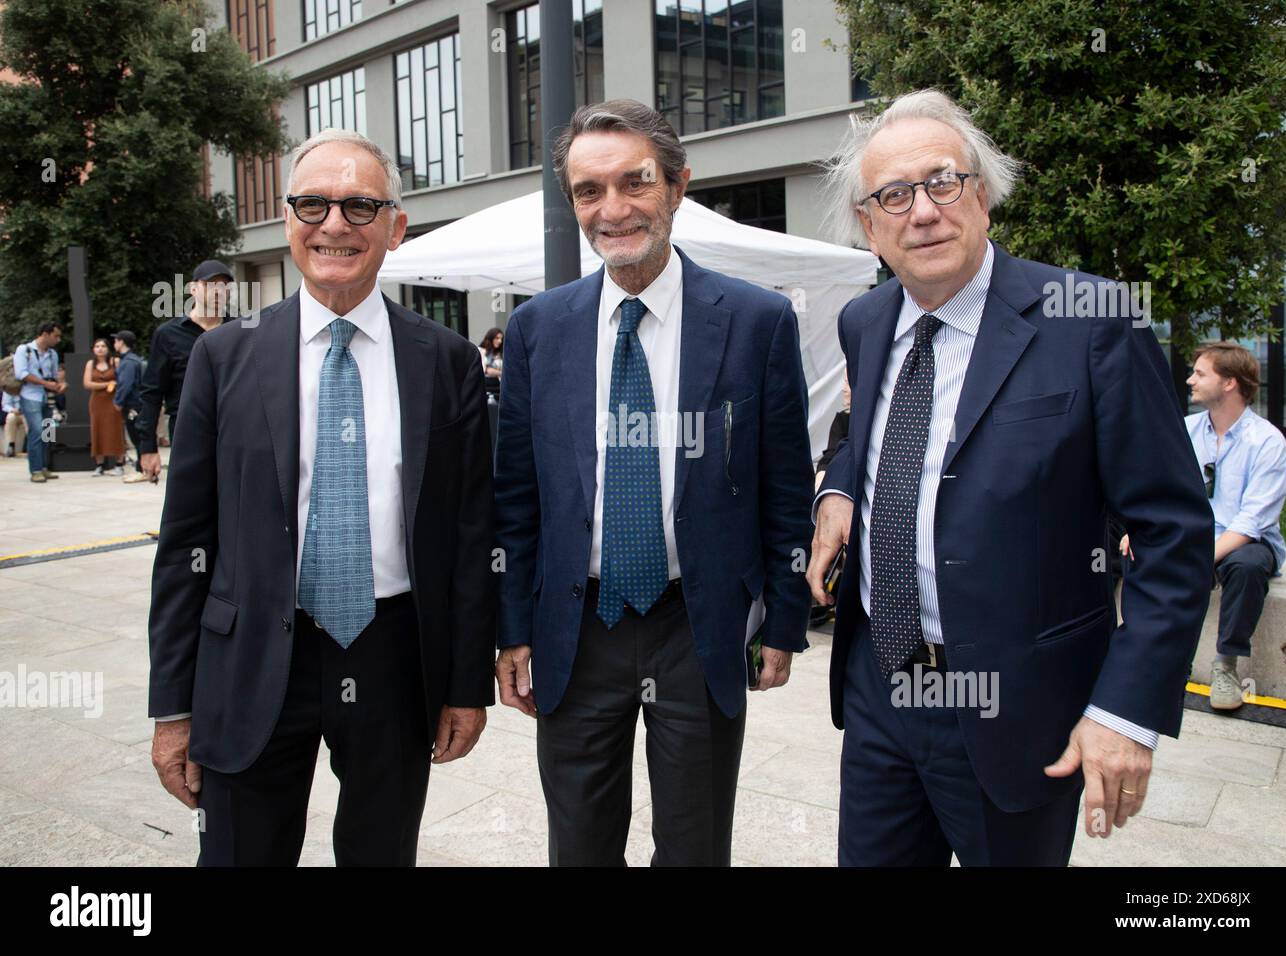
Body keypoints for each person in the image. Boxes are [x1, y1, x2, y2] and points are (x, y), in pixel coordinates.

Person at [808, 89, 1214, 866]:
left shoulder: (1091, 319)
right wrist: (839, 489)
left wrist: (1126, 712)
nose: (921, 211)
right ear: (870, 225)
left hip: (1020, 705)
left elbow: (1174, 533)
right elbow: (876, 437)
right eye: (893, 195)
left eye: (942, 182)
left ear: (983, 194)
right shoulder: (865, 323)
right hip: (881, 687)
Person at [147, 128, 496, 866]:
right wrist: (173, 707)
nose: (334, 224)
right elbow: (186, 545)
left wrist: (467, 685)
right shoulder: (223, 355)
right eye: (314, 204)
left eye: (360, 206)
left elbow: (470, 534)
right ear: (288, 221)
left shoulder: (448, 362)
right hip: (248, 656)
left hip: (394, 654)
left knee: (380, 853)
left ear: (395, 227)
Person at [494, 100, 814, 866]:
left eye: (635, 183)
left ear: (676, 187)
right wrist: (511, 627)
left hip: (695, 624)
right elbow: (515, 494)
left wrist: (785, 620)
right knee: (579, 847)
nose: (614, 210)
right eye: (588, 191)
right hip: (577, 626)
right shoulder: (539, 328)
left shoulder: (756, 319)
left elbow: (785, 485)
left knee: (696, 846)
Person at [1181, 343, 1286, 710]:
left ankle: (1225, 666)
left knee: (1246, 566)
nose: (1190, 380)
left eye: (1200, 373)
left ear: (1229, 383)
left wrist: (1203, 558)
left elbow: (1252, 521)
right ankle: (1150, 658)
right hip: (1197, 533)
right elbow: (1167, 491)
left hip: (1247, 541)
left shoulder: (1268, 442)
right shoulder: (1187, 431)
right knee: (1133, 549)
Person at [135, 259, 233, 481]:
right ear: (193, 289)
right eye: (211, 285)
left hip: (233, 429)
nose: (218, 292)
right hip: (186, 429)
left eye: (224, 286)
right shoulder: (168, 334)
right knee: (189, 500)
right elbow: (151, 392)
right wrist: (148, 447)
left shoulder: (240, 331)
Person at [12, 321, 65, 483]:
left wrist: (59, 385)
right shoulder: (24, 350)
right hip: (30, 396)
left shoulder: (53, 354)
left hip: (48, 398)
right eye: (56, 336)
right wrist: (45, 383)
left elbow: (54, 376)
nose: (58, 339)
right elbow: (21, 374)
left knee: (48, 433)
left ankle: (44, 467)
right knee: (36, 432)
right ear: (45, 334)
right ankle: (35, 470)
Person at [84, 337, 126, 476]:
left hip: (113, 401)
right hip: (97, 402)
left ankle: (119, 463)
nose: (100, 348)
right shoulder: (91, 364)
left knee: (115, 430)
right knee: (97, 431)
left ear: (108, 348)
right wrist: (107, 384)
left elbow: (122, 381)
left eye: (103, 346)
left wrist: (113, 386)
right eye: (97, 346)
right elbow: (87, 384)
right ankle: (99, 465)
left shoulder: (115, 362)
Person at [112, 330, 148, 483]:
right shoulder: (135, 360)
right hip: (139, 403)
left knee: (137, 437)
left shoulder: (127, 362)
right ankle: (142, 468)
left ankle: (142, 470)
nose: (114, 344)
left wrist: (118, 402)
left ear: (121, 342)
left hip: (133, 405)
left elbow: (125, 385)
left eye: (116, 341)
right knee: (139, 437)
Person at [478, 327, 504, 400]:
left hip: (499, 387)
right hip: (486, 387)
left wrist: (494, 371)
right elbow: (484, 370)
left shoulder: (500, 353)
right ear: (491, 337)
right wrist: (500, 372)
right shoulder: (481, 350)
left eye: (501, 339)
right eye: (497, 338)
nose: (500, 341)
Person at [3, 389, 26, 457]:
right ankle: (11, 445)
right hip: (18, 413)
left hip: (32, 414)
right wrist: (13, 410)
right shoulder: (11, 387)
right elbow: (5, 405)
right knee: (11, 417)